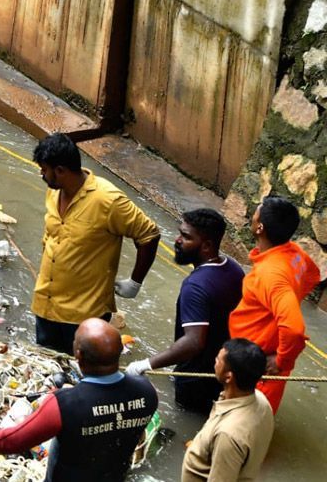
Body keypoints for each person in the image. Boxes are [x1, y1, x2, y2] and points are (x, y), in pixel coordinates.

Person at [0, 318, 159, 482]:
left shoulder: (64, 404)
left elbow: (12, 442)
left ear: (78, 355)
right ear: (120, 352)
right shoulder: (147, 391)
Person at [31, 133, 161, 353]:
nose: (41, 174)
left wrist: (135, 282)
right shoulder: (53, 193)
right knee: (46, 371)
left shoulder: (108, 200)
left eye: (45, 170)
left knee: (83, 376)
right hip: (45, 304)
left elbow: (149, 234)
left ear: (61, 171)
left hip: (83, 314)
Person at [126, 208, 244, 414]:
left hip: (196, 378)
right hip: (225, 371)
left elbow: (193, 342)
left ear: (207, 245)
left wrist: (145, 364)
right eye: (180, 233)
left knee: (184, 414)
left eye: (186, 237)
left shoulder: (195, 286)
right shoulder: (234, 269)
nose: (178, 240)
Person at [228, 195, 321, 413]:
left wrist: (279, 360)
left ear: (260, 228)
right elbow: (311, 277)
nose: (252, 216)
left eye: (256, 213)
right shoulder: (295, 253)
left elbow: (295, 330)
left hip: (259, 364)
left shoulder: (272, 275)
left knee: (244, 424)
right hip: (262, 351)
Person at [180, 339, 274, 482]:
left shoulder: (228, 435)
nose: (215, 361)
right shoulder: (262, 401)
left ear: (229, 376)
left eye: (218, 360)